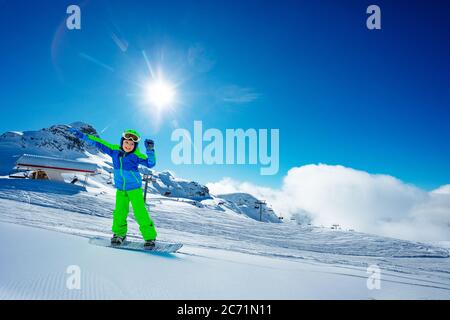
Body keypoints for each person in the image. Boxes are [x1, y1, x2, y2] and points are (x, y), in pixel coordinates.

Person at [69, 127, 157, 249]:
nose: (128, 145)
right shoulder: (114, 151)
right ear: (122, 142)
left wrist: (150, 150)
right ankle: (119, 235)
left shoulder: (136, 156)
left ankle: (149, 237)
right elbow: (98, 143)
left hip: (134, 189)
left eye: (132, 144)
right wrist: (83, 136)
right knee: (119, 212)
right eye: (126, 142)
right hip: (121, 189)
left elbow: (150, 163)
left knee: (140, 212)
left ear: (135, 146)